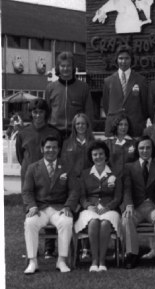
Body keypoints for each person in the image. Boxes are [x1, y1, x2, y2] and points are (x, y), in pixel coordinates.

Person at [21, 135, 79, 274]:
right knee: (30, 223)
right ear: (42, 149)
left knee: (66, 221)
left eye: (54, 147)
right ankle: (33, 261)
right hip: (39, 208)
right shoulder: (33, 168)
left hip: (59, 207)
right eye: (48, 147)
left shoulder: (66, 167)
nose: (51, 150)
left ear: (58, 149)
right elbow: (27, 191)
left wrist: (68, 206)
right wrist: (32, 206)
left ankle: (62, 260)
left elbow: (74, 190)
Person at [74, 141, 123, 272]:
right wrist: (88, 206)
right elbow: (82, 196)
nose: (98, 157)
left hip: (110, 209)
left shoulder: (115, 173)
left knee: (106, 223)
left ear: (106, 155)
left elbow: (118, 197)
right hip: (90, 208)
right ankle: (94, 260)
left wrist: (109, 206)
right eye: (95, 154)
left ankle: (102, 261)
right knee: (94, 222)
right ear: (91, 157)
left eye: (101, 154)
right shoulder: (85, 174)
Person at [122, 136, 155, 269]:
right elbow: (127, 188)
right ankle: (132, 254)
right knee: (126, 218)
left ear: (152, 149)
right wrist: (129, 205)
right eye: (141, 148)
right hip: (135, 207)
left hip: (153, 206)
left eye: (148, 147)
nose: (145, 150)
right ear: (137, 150)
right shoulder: (129, 167)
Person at [45, 51, 94, 138]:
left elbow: (89, 113)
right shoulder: (50, 88)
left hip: (76, 133)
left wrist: (88, 132)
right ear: (58, 68)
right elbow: (46, 112)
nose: (65, 68)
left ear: (73, 67)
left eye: (68, 66)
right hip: (54, 132)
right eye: (62, 66)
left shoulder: (83, 87)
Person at [102, 45, 149, 136]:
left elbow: (144, 106)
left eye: (127, 58)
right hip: (113, 127)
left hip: (135, 127)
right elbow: (106, 106)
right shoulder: (108, 81)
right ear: (116, 59)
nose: (123, 61)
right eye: (121, 58)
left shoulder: (140, 80)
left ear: (131, 59)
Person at [16, 99, 61, 182]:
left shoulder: (55, 133)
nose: (38, 115)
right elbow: (20, 157)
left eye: (41, 112)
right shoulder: (22, 133)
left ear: (46, 113)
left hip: (48, 175)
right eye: (35, 112)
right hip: (27, 174)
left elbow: (59, 155)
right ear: (31, 113)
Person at [60, 113, 95, 178]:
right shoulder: (67, 143)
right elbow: (63, 163)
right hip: (72, 181)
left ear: (87, 125)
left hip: (89, 180)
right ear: (74, 126)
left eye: (83, 123)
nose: (80, 126)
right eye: (78, 124)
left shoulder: (94, 143)